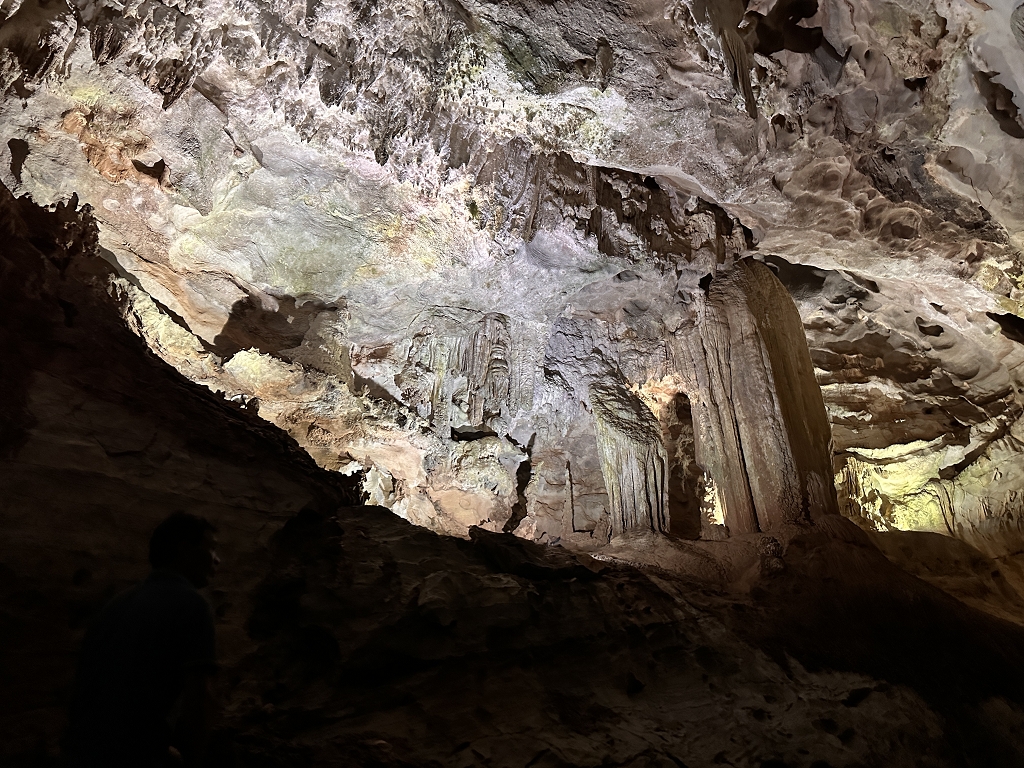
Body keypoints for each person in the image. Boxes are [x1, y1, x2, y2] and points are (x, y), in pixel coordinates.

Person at [65, 512, 221, 768]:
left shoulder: (115, 605)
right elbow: (200, 700)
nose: (217, 559)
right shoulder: (191, 604)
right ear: (185, 550)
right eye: (211, 549)